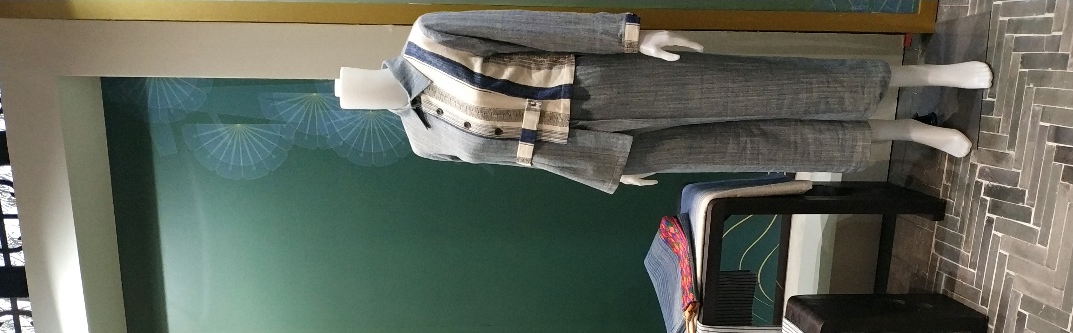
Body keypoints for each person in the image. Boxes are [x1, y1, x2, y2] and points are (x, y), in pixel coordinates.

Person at [334, 10, 994, 193]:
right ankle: (910, 132)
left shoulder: (431, 35)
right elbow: (516, 159)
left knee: (764, 86)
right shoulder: (423, 142)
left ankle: (919, 77)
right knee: (747, 147)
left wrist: (629, 38)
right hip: (597, 148)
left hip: (601, 82)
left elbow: (531, 28)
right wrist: (603, 169)